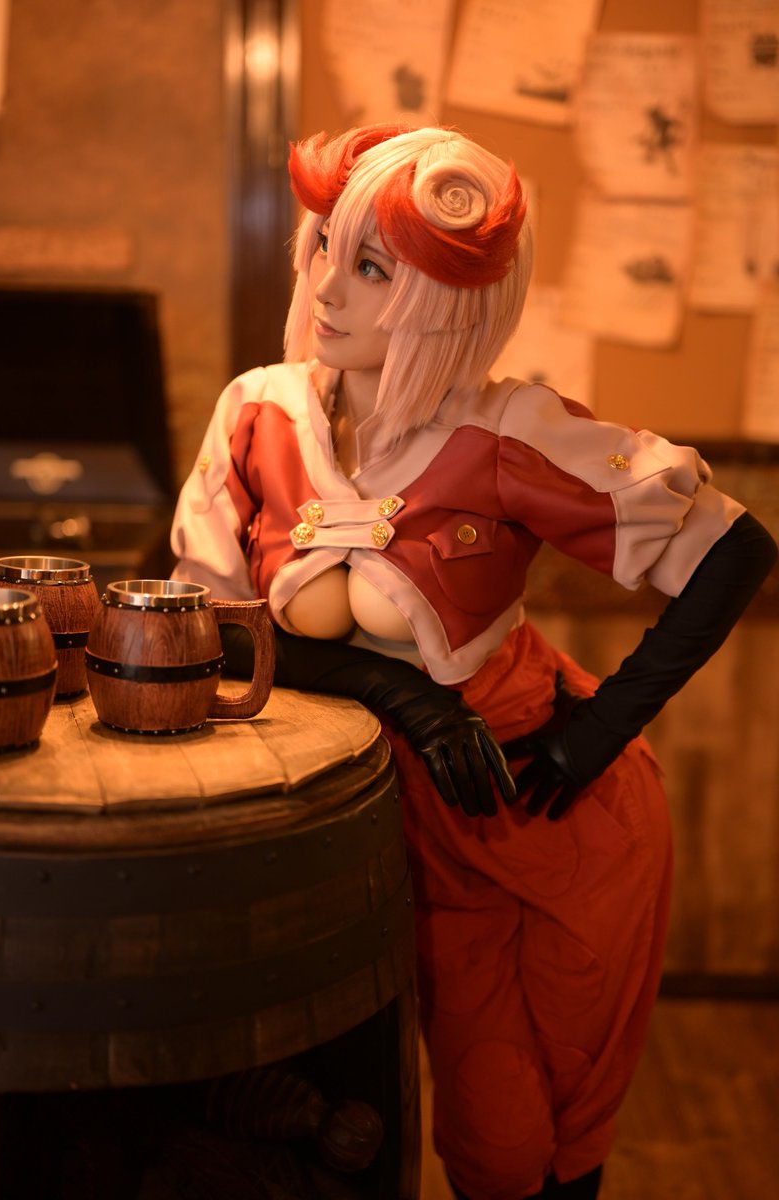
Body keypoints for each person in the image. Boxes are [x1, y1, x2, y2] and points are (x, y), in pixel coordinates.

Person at [170, 123, 777, 1200]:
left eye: (374, 268)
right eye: (325, 245)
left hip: (535, 813)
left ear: (451, 301)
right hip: (348, 823)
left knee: (526, 1141)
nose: (327, 287)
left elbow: (735, 549)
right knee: (334, 1131)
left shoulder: (510, 430)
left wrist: (602, 729)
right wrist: (397, 692)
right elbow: (210, 626)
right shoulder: (255, 412)